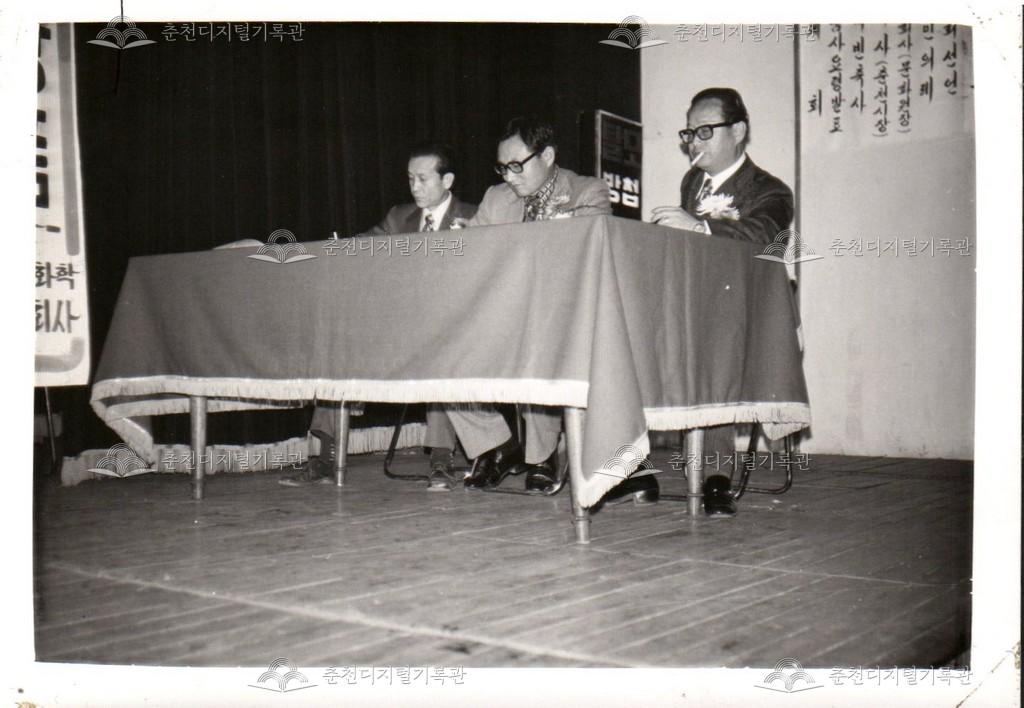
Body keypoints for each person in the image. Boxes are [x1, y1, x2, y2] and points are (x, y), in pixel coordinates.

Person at [280, 143, 477, 490]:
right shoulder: (398, 217)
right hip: (397, 327)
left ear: (447, 180)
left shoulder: (475, 217)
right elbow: (361, 246)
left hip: (451, 326)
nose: (414, 187)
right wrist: (331, 248)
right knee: (338, 346)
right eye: (410, 179)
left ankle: (442, 459)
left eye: (422, 179)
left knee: (443, 345)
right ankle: (325, 458)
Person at [441, 116, 614, 495]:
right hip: (504, 313)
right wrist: (466, 243)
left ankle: (542, 455)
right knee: (443, 346)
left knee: (539, 338)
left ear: (547, 156)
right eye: (502, 167)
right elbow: (476, 256)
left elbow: (590, 251)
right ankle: (496, 445)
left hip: (562, 313)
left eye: (517, 166)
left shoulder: (587, 191)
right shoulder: (496, 198)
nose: (509, 176)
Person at [651, 87, 795, 517]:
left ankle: (714, 475)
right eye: (689, 133)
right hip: (696, 300)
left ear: (739, 131)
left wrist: (699, 227)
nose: (693, 143)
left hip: (748, 308)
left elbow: (762, 236)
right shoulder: (691, 182)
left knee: (710, 342)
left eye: (704, 131)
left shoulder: (771, 190)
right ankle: (629, 465)